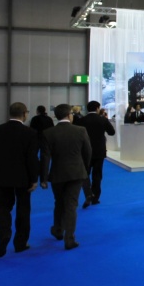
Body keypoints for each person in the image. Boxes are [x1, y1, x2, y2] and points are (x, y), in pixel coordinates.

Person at [0, 102, 40, 257]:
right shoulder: (30, 133)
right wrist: (34, 178)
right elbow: (32, 158)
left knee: (3, 208)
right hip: (23, 177)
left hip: (2, 176)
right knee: (23, 209)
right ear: (25, 114)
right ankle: (20, 242)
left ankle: (4, 234)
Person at [43, 103, 91, 250]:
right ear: (69, 115)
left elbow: (45, 158)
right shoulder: (80, 130)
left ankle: (58, 230)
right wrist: (84, 169)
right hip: (76, 173)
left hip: (57, 173)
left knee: (59, 202)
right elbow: (88, 152)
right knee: (71, 205)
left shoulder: (48, 133)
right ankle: (69, 238)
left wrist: (43, 178)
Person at [78, 101, 116, 206]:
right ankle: (95, 197)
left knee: (85, 174)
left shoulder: (81, 120)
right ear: (98, 108)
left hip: (85, 151)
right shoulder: (103, 120)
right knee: (97, 174)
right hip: (99, 151)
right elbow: (112, 132)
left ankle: (88, 194)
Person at [29, 105, 54, 189]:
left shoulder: (34, 119)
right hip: (46, 140)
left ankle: (34, 176)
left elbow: (31, 130)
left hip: (35, 140)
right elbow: (52, 130)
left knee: (33, 157)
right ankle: (44, 180)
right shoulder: (49, 119)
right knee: (46, 159)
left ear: (37, 111)